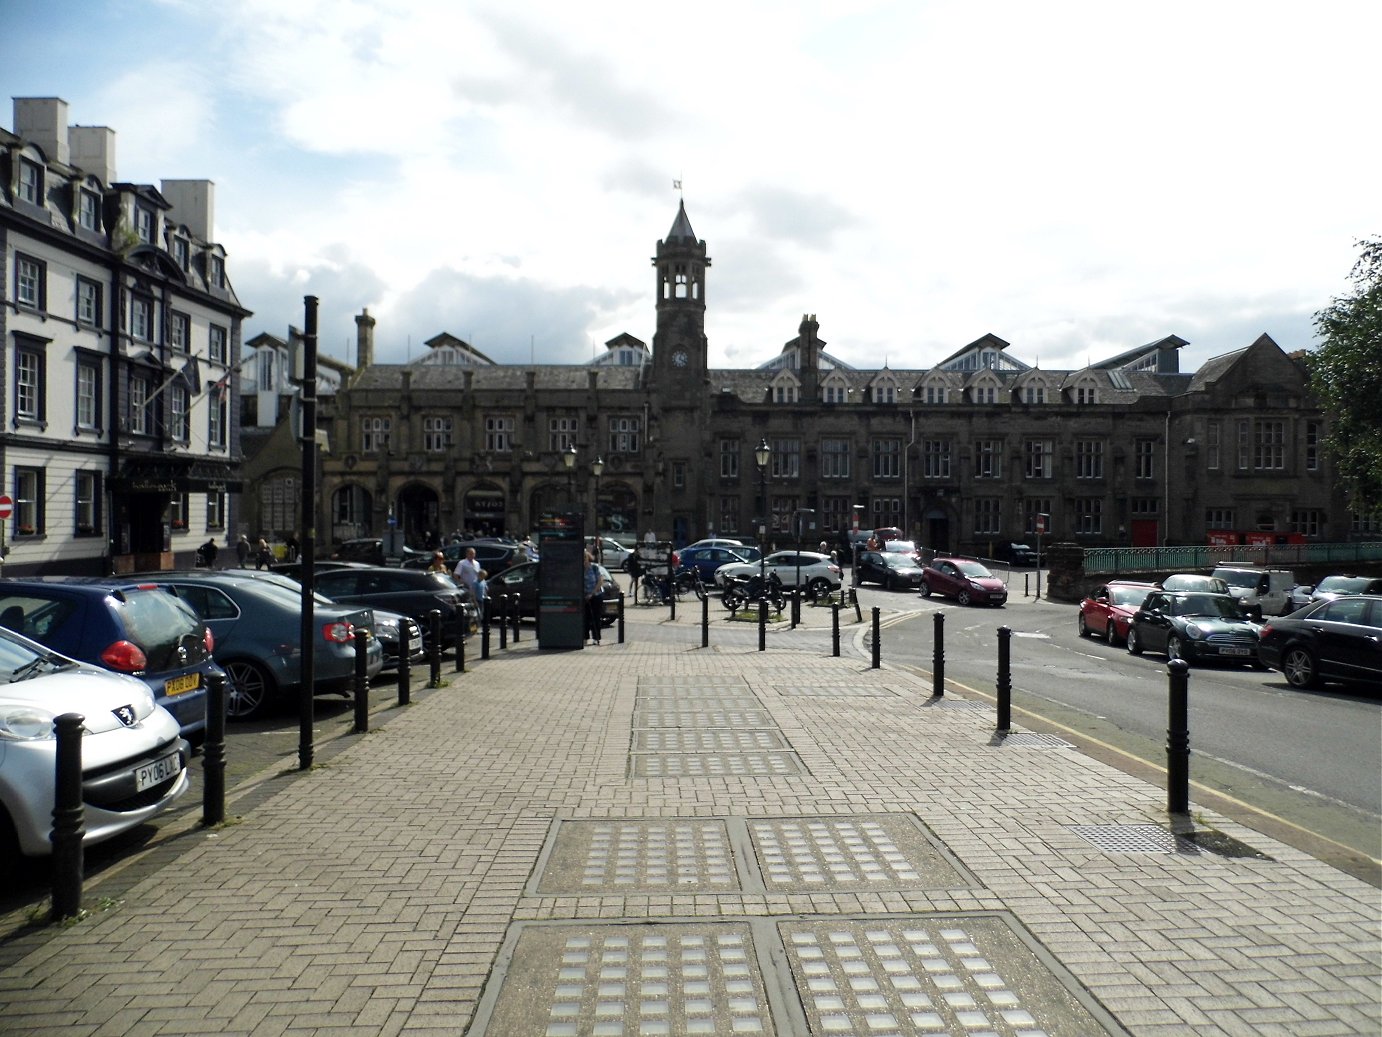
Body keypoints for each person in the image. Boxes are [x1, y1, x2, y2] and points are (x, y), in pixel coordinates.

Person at [453, 546, 484, 616]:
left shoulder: (477, 564)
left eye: (473, 554)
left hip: (476, 589)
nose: (472, 555)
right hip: (466, 589)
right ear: (467, 554)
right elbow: (455, 575)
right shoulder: (462, 563)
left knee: (477, 606)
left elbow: (480, 575)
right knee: (469, 607)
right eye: (470, 554)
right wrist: (462, 583)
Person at [583, 551, 605, 645]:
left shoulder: (594, 567)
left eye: (585, 557)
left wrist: (592, 594)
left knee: (596, 618)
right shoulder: (579, 569)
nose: (583, 560)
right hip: (584, 597)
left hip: (596, 595)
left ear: (588, 557)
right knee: (585, 618)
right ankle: (585, 637)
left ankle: (596, 638)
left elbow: (600, 582)